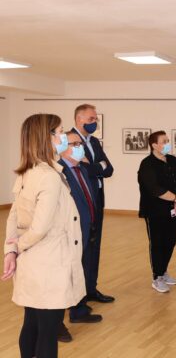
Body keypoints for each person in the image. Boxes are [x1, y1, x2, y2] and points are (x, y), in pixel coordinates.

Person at [2, 114, 85, 358]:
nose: (64, 137)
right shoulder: (49, 177)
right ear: (45, 136)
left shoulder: (28, 172)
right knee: (47, 330)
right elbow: (39, 228)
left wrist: (11, 249)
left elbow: (12, 217)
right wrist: (15, 247)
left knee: (32, 324)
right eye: (59, 132)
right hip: (49, 264)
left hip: (34, 263)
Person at [57, 131, 103, 342]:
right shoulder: (59, 172)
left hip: (86, 229)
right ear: (63, 147)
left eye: (79, 144)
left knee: (80, 271)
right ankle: (56, 324)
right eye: (74, 144)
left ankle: (78, 309)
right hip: (68, 234)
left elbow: (89, 198)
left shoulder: (82, 169)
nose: (79, 147)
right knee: (64, 277)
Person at [72, 104, 115, 303]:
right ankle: (77, 294)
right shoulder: (70, 141)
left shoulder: (94, 142)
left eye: (95, 119)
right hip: (81, 200)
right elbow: (79, 170)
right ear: (79, 119)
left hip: (97, 198)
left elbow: (109, 169)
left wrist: (95, 166)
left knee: (94, 245)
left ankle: (91, 288)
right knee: (81, 247)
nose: (94, 122)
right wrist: (98, 167)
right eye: (91, 119)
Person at [137, 131, 176, 293]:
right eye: (164, 141)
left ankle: (163, 271)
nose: (167, 143)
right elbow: (155, 189)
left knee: (171, 241)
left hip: (173, 209)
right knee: (157, 243)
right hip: (154, 211)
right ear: (154, 145)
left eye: (168, 140)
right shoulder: (147, 164)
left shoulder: (173, 160)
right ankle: (157, 277)